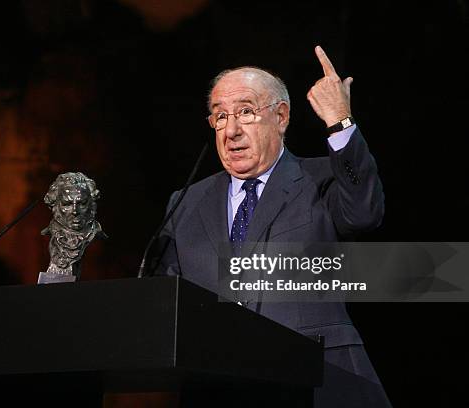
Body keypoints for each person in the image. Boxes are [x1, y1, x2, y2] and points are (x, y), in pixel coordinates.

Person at [155, 46, 391, 407]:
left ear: (280, 117)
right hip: (216, 387)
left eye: (246, 112)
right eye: (220, 117)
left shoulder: (321, 180)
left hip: (315, 382)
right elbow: (166, 299)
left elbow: (364, 214)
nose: (230, 130)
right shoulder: (186, 201)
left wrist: (340, 122)